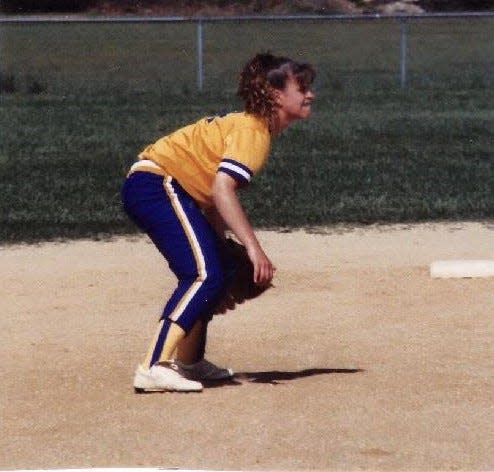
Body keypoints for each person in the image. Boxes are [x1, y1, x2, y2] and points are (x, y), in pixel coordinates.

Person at [121, 52, 316, 393]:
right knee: (203, 274)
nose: (309, 94)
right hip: (156, 184)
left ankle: (190, 362)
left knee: (218, 269)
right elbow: (222, 189)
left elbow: (210, 194)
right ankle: (153, 366)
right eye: (301, 87)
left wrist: (222, 247)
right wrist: (255, 250)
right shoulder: (253, 132)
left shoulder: (249, 127)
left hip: (160, 187)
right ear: (275, 95)